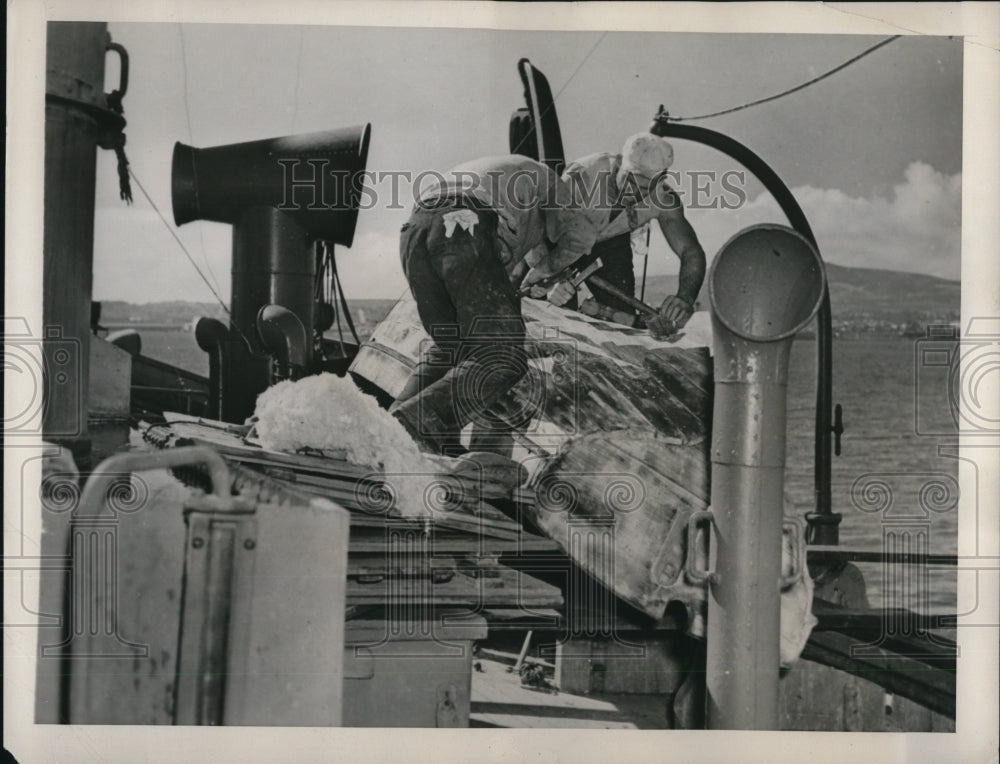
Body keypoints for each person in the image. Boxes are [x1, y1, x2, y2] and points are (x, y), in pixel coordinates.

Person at [390, 155, 597, 455]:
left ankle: (394, 429)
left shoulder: (510, 181)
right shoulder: (554, 185)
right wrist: (545, 272)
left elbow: (498, 270)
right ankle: (414, 425)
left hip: (415, 230)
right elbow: (578, 237)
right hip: (463, 223)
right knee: (503, 355)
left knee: (455, 346)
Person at [544, 133, 707, 338]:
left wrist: (685, 298)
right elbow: (539, 229)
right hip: (559, 240)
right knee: (554, 315)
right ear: (619, 162)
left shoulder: (663, 199)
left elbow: (690, 251)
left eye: (645, 188)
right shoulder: (584, 174)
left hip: (608, 245)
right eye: (630, 181)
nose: (634, 193)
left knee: (622, 320)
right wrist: (550, 281)